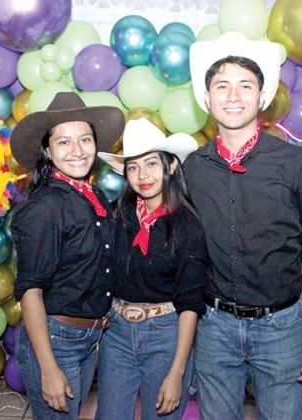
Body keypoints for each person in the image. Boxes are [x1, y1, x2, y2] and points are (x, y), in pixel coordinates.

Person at [184, 32, 302, 419]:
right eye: (222, 86)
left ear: (263, 96)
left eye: (245, 85)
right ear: (206, 98)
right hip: (214, 327)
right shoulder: (193, 168)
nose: (233, 96)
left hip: (280, 328)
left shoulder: (297, 165)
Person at [9, 92, 124, 419]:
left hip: (89, 336)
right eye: (64, 142)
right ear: (47, 150)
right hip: (56, 340)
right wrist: (48, 368)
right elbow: (30, 290)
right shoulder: (45, 206)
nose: (77, 150)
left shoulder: (93, 195)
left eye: (85, 139)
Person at [95, 118, 207, 420]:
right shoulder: (117, 215)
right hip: (117, 332)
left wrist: (177, 373)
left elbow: (191, 303)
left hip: (166, 335)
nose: (142, 175)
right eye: (133, 167)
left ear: (171, 165)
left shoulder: (188, 224)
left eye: (151, 164)